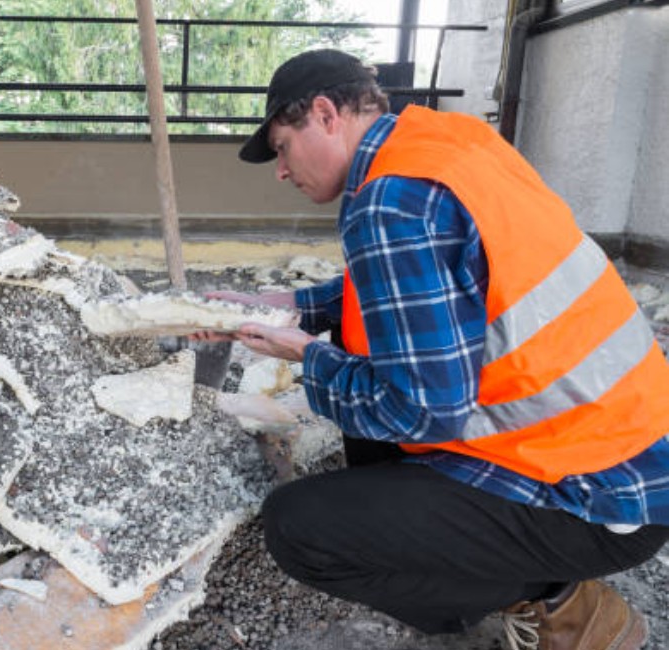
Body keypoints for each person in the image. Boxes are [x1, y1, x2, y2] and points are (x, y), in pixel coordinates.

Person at [193, 49, 669, 649]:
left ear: (324, 114)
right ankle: (485, 547)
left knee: (299, 529)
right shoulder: (453, 145)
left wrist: (304, 356)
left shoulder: (388, 203)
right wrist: (287, 305)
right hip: (629, 450)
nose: (281, 171)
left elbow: (421, 412)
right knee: (364, 361)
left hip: (595, 499)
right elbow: (421, 290)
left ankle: (560, 600)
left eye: (283, 147)